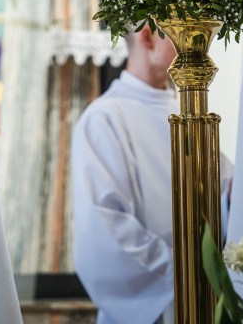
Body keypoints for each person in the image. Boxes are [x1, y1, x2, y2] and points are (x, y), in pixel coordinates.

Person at [71, 23, 231, 324]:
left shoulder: (189, 112)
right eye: (184, 31)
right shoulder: (104, 119)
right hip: (156, 308)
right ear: (147, 37)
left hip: (209, 302)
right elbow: (106, 235)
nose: (197, 45)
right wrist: (189, 273)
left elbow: (224, 194)